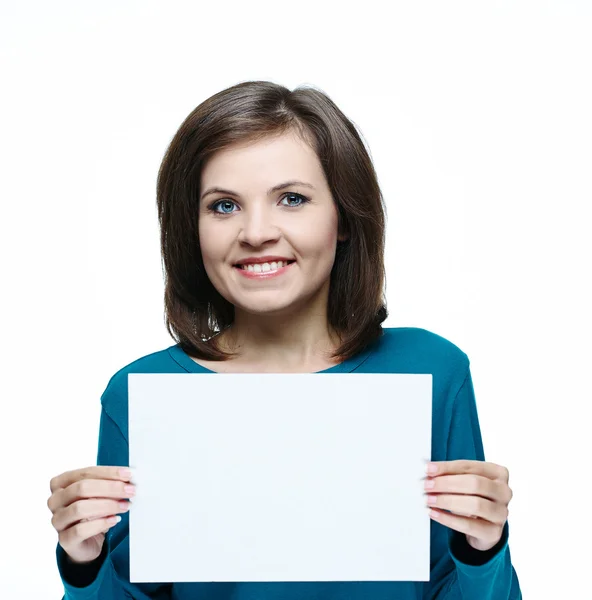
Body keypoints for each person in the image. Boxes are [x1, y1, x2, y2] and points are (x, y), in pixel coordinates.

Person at [47, 80, 522, 599]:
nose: (256, 232)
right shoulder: (140, 393)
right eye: (223, 206)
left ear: (344, 217)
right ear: (192, 228)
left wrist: (482, 550)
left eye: (291, 199)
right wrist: (84, 562)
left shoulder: (433, 371)